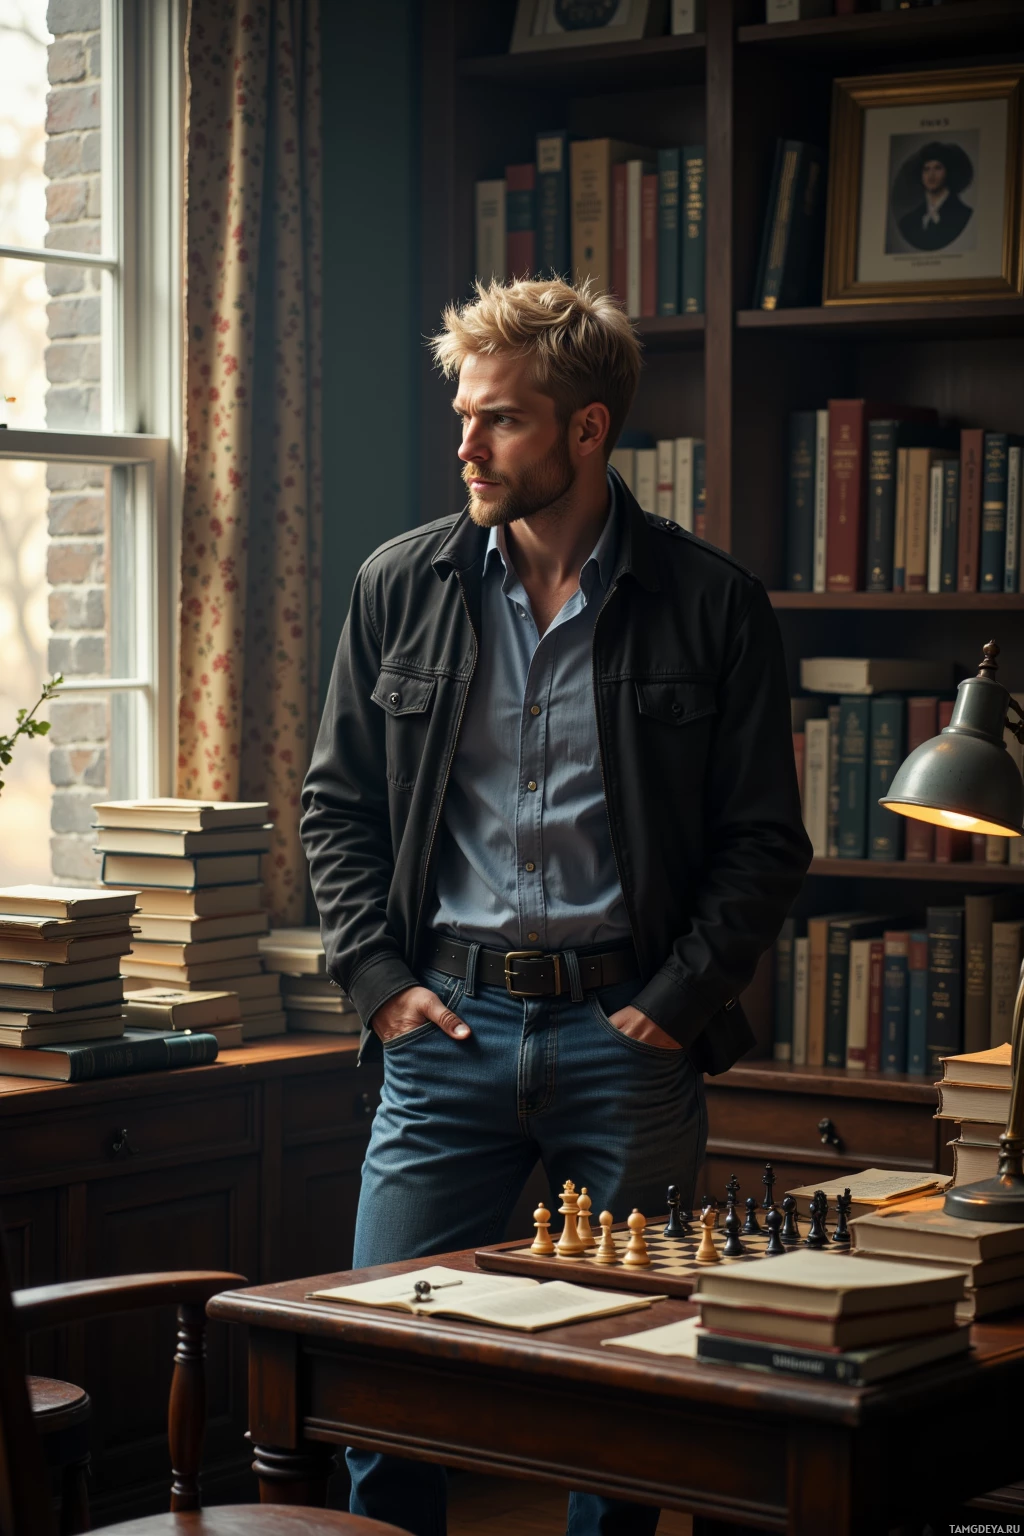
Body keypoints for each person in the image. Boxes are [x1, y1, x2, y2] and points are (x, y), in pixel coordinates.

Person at [300, 276, 812, 1536]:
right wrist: (381, 990)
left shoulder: (711, 605)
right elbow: (337, 811)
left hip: (623, 1037)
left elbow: (764, 841)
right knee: (382, 1372)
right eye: (462, 417)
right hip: (445, 1034)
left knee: (633, 1392)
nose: (464, 447)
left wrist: (669, 1008)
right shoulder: (398, 587)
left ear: (587, 431)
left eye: (501, 422)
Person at [895, 139, 974, 252]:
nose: (931, 175)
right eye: (926, 169)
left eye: (938, 168)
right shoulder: (908, 222)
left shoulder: (964, 215)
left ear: (949, 171)